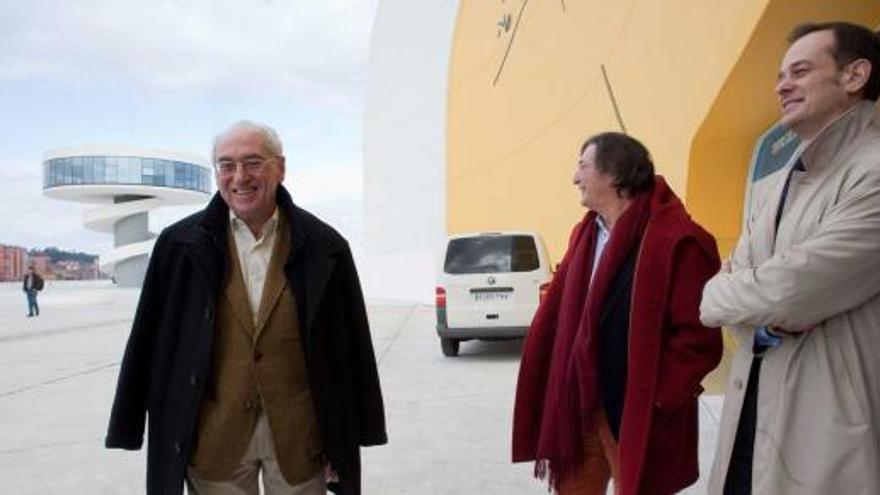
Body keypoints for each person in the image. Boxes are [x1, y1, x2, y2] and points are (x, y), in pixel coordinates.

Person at [105, 121, 387, 495]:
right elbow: (147, 340)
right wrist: (127, 423)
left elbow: (352, 347)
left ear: (280, 168)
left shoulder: (326, 246)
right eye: (226, 165)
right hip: (213, 438)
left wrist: (355, 432)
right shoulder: (178, 246)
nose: (239, 176)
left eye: (253, 162)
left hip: (300, 439)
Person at [700, 22, 880, 494]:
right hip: (751, 412)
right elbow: (720, 300)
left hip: (830, 429)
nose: (781, 86)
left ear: (855, 75)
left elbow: (788, 292)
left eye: (800, 71)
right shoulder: (776, 183)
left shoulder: (872, 172)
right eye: (781, 75)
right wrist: (755, 306)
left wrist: (754, 298)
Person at [512, 132, 723, 495]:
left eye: (582, 166)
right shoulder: (585, 234)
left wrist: (658, 397)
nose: (574, 178)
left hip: (637, 410)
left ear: (614, 175)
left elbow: (698, 336)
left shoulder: (678, 239)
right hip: (581, 404)